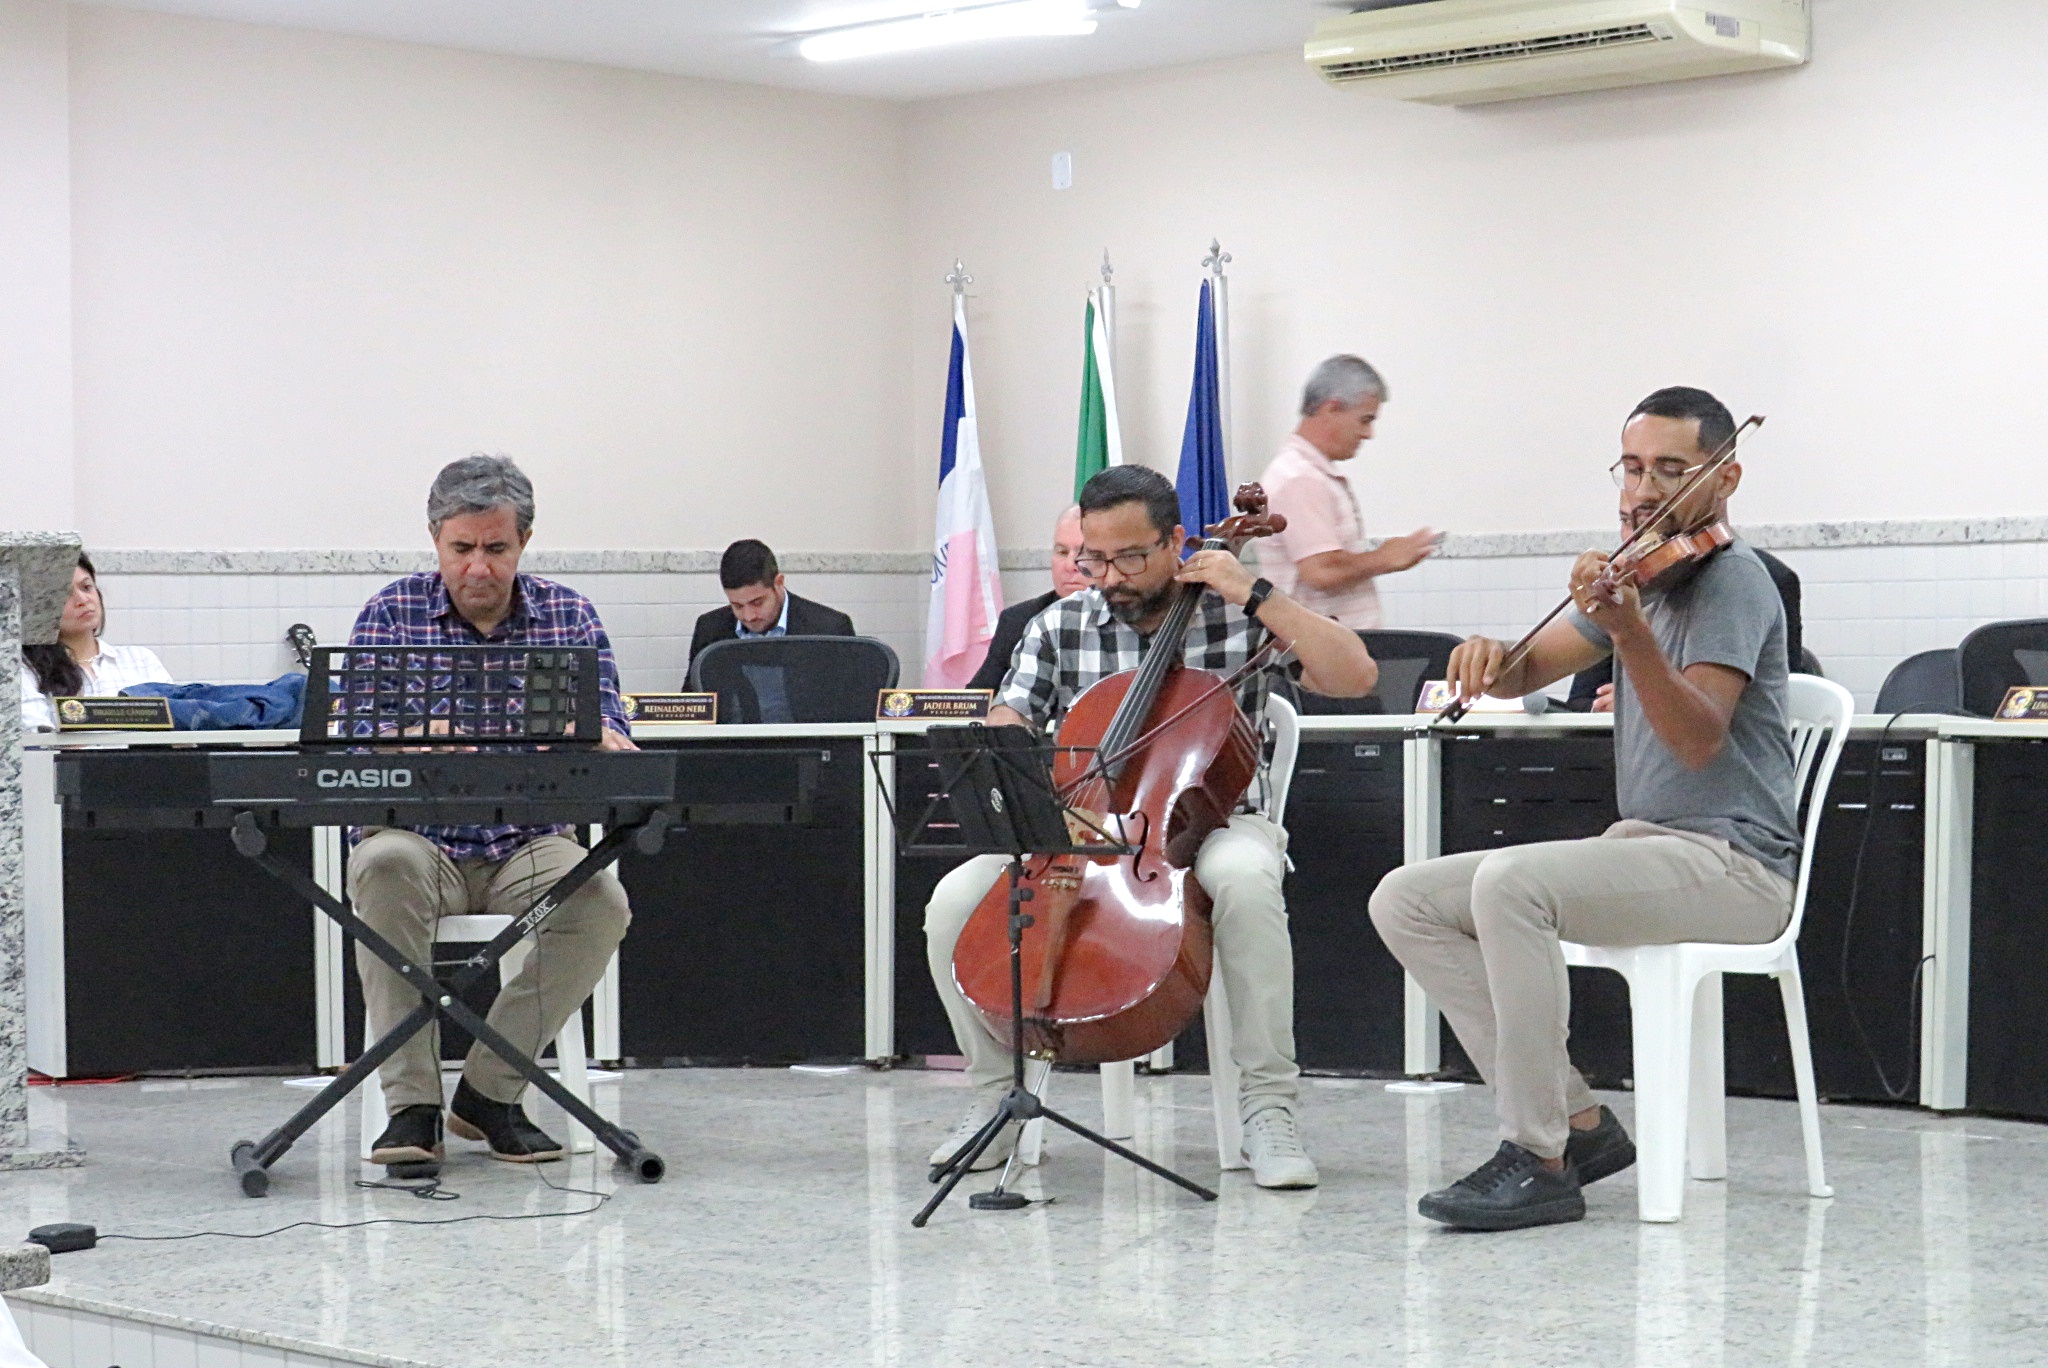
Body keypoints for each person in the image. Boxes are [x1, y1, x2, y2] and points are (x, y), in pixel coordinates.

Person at [1368, 387, 1799, 1231]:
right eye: (1633, 467)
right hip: (1649, 845)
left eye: (1671, 471)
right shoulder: (1646, 576)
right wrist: (1495, 658)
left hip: (1737, 864)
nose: (1643, 490)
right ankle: (1578, 1122)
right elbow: (1529, 671)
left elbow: (1699, 741)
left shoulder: (1735, 583)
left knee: (1512, 884)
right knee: (1406, 899)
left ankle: (1537, 1157)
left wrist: (1630, 633)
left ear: (1727, 476)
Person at [922, 465, 1379, 1189]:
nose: (1109, 577)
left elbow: (1355, 675)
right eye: (1092, 559)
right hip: (1081, 832)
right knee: (953, 898)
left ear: (1175, 543)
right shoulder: (1062, 623)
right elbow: (1010, 719)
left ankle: (1268, 1106)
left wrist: (1255, 591)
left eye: (1129, 558)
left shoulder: (1236, 616)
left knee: (1246, 878)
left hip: (1222, 821)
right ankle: (992, 1101)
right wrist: (1010, 751)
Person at [346, 454, 637, 1168]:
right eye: (462, 549)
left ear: (524, 544)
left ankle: (488, 1092)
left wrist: (605, 738)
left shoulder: (568, 614)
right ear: (435, 539)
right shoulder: (390, 612)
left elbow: (613, 734)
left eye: (497, 549)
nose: (478, 568)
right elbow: (349, 741)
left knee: (600, 900)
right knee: (381, 866)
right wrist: (417, 739)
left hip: (528, 840)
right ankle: (412, 1108)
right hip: (418, 842)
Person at [1256, 355, 1438, 631]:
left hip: (1329, 654)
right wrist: (1387, 557)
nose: (1369, 434)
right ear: (1332, 408)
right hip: (1313, 661)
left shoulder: (1311, 473)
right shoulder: (1298, 477)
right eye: (1364, 420)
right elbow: (1322, 570)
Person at [1567, 546, 1804, 710]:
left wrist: (1636, 703)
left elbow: (1782, 695)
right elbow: (1581, 699)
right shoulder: (1621, 583)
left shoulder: (1759, 577)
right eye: (1626, 521)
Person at [18, 554, 172, 731]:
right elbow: (34, 738)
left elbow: (177, 725)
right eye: (64, 595)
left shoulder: (141, 660)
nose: (83, 600)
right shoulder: (26, 669)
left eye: (86, 587)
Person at [964, 505, 1089, 693]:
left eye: (1082, 553)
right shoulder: (1017, 621)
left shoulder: (1126, 618)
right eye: (1062, 552)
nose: (1070, 565)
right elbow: (979, 699)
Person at [687, 539, 855, 670]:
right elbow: (695, 704)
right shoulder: (709, 630)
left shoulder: (829, 630)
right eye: (737, 606)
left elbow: (855, 701)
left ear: (779, 583)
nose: (749, 616)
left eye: (757, 602)